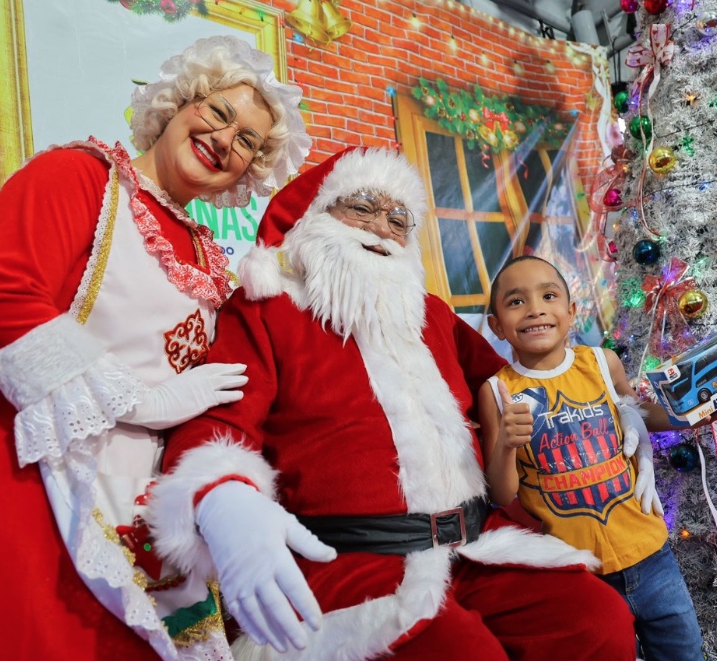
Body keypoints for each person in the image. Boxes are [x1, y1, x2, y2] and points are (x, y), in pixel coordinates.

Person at [146, 146, 639, 660]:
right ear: (318, 214)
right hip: (351, 559)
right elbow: (221, 422)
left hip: (476, 545)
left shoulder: (429, 313)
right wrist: (226, 499)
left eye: (399, 218)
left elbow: (516, 382)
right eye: (361, 208)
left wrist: (616, 404)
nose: (382, 227)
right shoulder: (267, 311)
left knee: (596, 621)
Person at [0, 36, 309, 660]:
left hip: (134, 503)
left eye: (247, 140)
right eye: (219, 113)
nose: (226, 141)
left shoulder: (207, 255)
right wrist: (134, 401)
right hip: (25, 472)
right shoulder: (80, 176)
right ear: (176, 105)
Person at [480, 255, 717, 661]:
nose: (535, 309)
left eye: (548, 295)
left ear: (571, 311)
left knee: (684, 652)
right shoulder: (497, 392)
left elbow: (637, 415)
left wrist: (688, 417)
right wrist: (507, 445)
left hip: (651, 554)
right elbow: (501, 491)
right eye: (515, 302)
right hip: (578, 572)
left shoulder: (601, 362)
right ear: (496, 324)